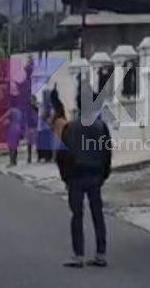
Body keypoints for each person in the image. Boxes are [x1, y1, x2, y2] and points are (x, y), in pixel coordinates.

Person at [49, 86, 112, 268]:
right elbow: (107, 154)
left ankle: (79, 256)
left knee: (77, 215)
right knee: (97, 214)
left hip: (76, 177)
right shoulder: (102, 127)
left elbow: (62, 156)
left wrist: (65, 178)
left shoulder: (71, 128)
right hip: (95, 176)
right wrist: (103, 176)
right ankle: (101, 253)